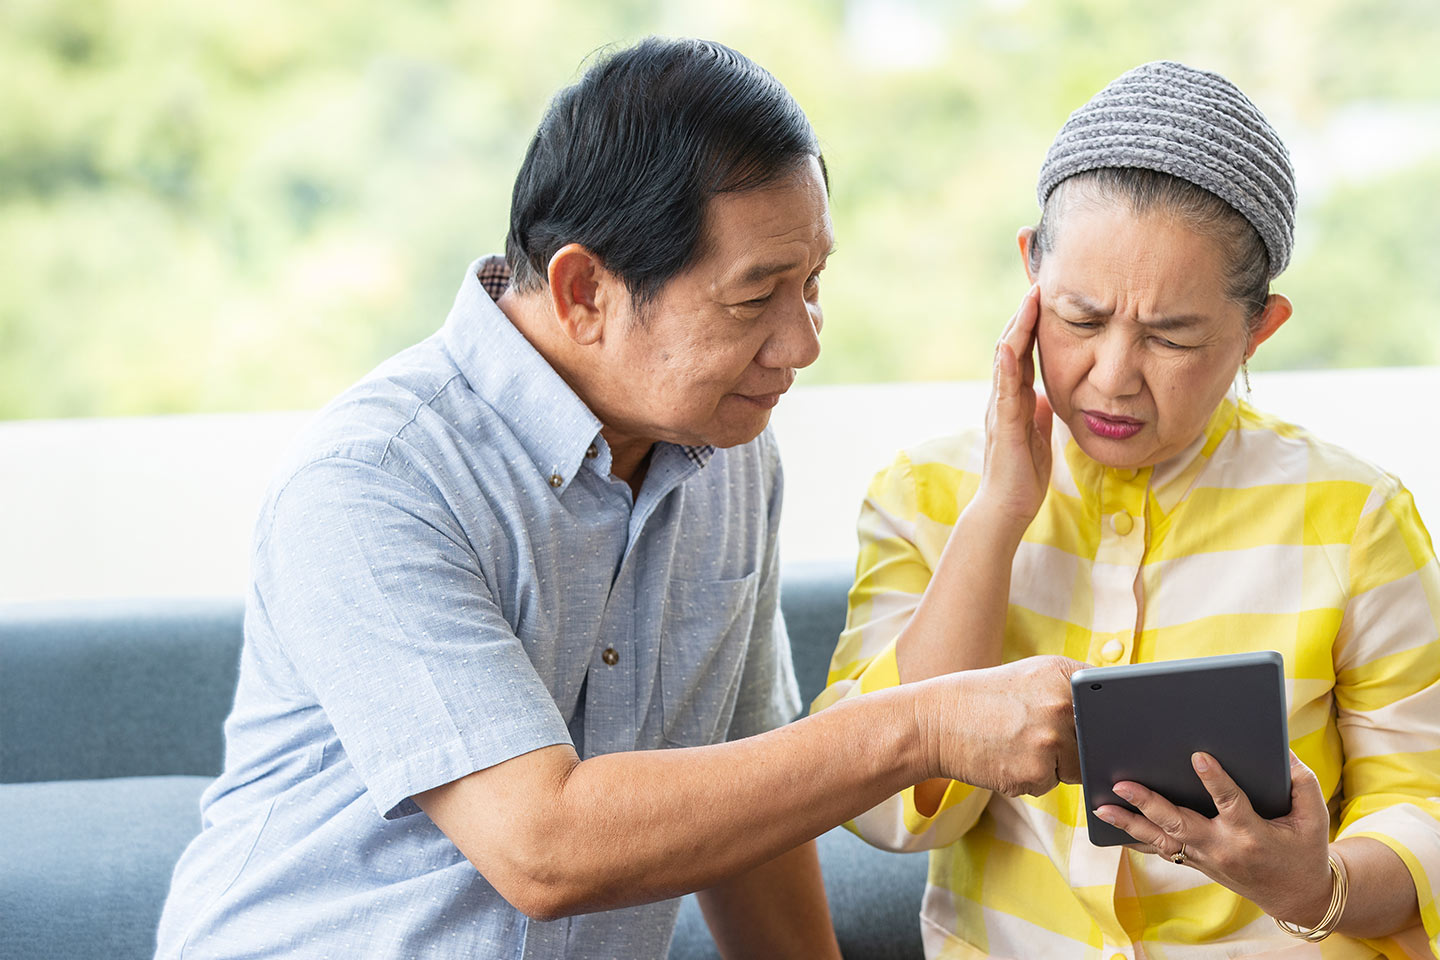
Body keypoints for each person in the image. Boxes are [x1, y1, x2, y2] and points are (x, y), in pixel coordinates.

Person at [154, 37, 1086, 960]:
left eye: (812, 285)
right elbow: (544, 850)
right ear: (584, 289)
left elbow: (748, 808)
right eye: (755, 295)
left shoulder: (730, 451)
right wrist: (921, 726)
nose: (801, 344)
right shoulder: (373, 484)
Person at [815, 61, 1440, 959]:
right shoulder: (924, 497)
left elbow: (1424, 802)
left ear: (1260, 329)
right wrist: (997, 515)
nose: (1111, 375)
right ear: (1031, 269)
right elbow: (890, 816)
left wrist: (1320, 884)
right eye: (1080, 317)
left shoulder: (1356, 514)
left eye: (1171, 335)